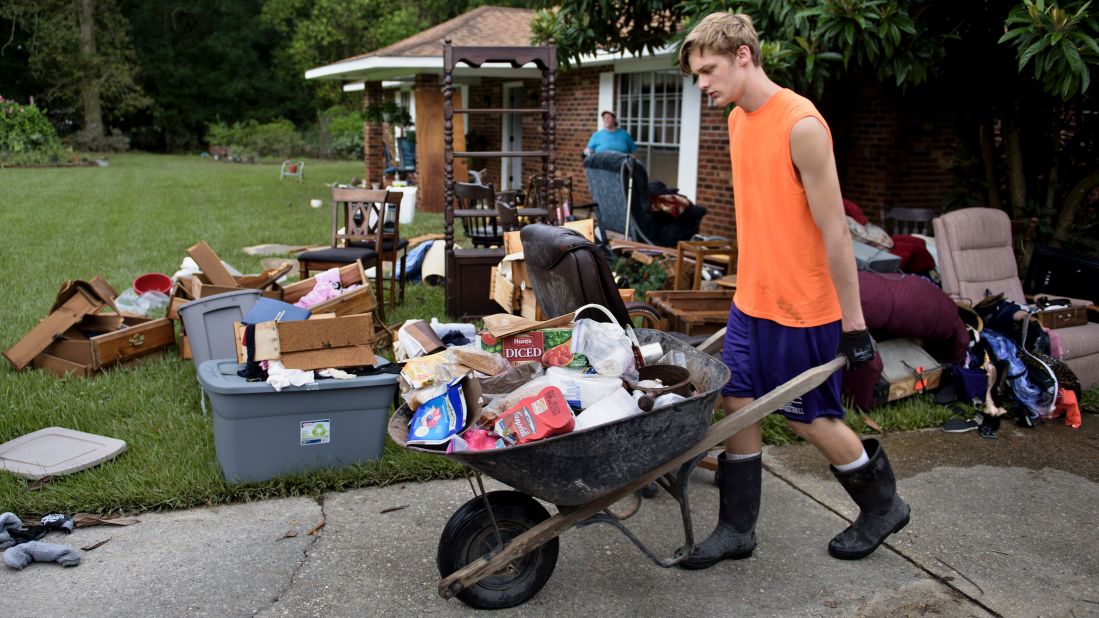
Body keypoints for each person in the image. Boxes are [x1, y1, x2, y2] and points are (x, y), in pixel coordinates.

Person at [677, 12, 909, 569]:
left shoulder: (801, 124)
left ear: (743, 56)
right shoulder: (737, 120)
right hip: (752, 301)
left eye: (708, 70)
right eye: (697, 74)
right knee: (737, 402)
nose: (702, 84)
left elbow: (835, 231)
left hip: (802, 308)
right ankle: (737, 529)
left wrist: (853, 325)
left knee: (809, 417)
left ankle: (883, 506)